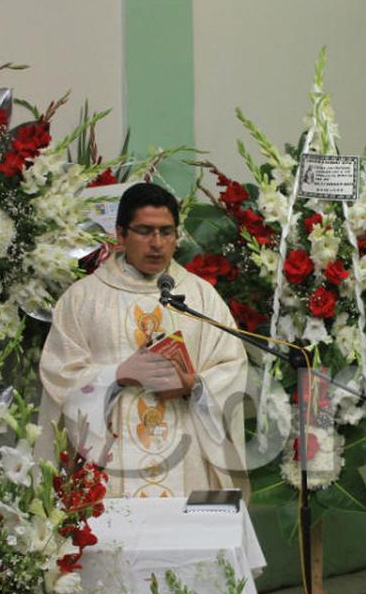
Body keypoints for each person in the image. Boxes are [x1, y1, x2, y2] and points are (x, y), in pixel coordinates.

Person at [39, 183, 248, 497]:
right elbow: (60, 376)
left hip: (187, 463)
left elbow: (232, 366)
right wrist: (117, 375)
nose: (157, 244)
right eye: (145, 231)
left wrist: (193, 384)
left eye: (167, 232)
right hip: (110, 469)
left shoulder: (200, 296)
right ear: (121, 235)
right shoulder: (83, 299)